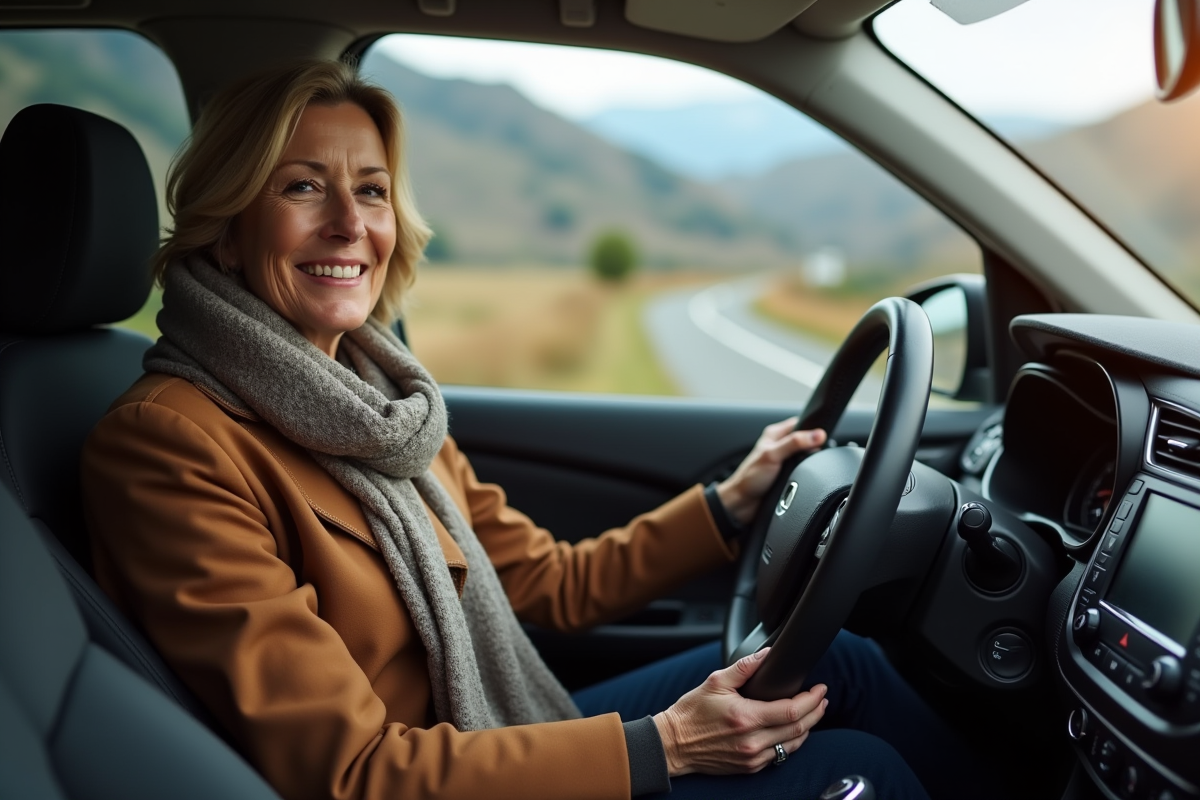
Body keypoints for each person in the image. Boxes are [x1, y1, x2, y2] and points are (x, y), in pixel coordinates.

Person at [82, 60, 991, 800]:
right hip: (428, 776)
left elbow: (540, 585)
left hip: (496, 735)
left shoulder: (378, 401)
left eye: (371, 189)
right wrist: (663, 748)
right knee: (854, 776)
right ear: (228, 225)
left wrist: (725, 504)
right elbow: (346, 772)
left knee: (844, 662)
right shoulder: (171, 445)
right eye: (301, 187)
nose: (351, 223)